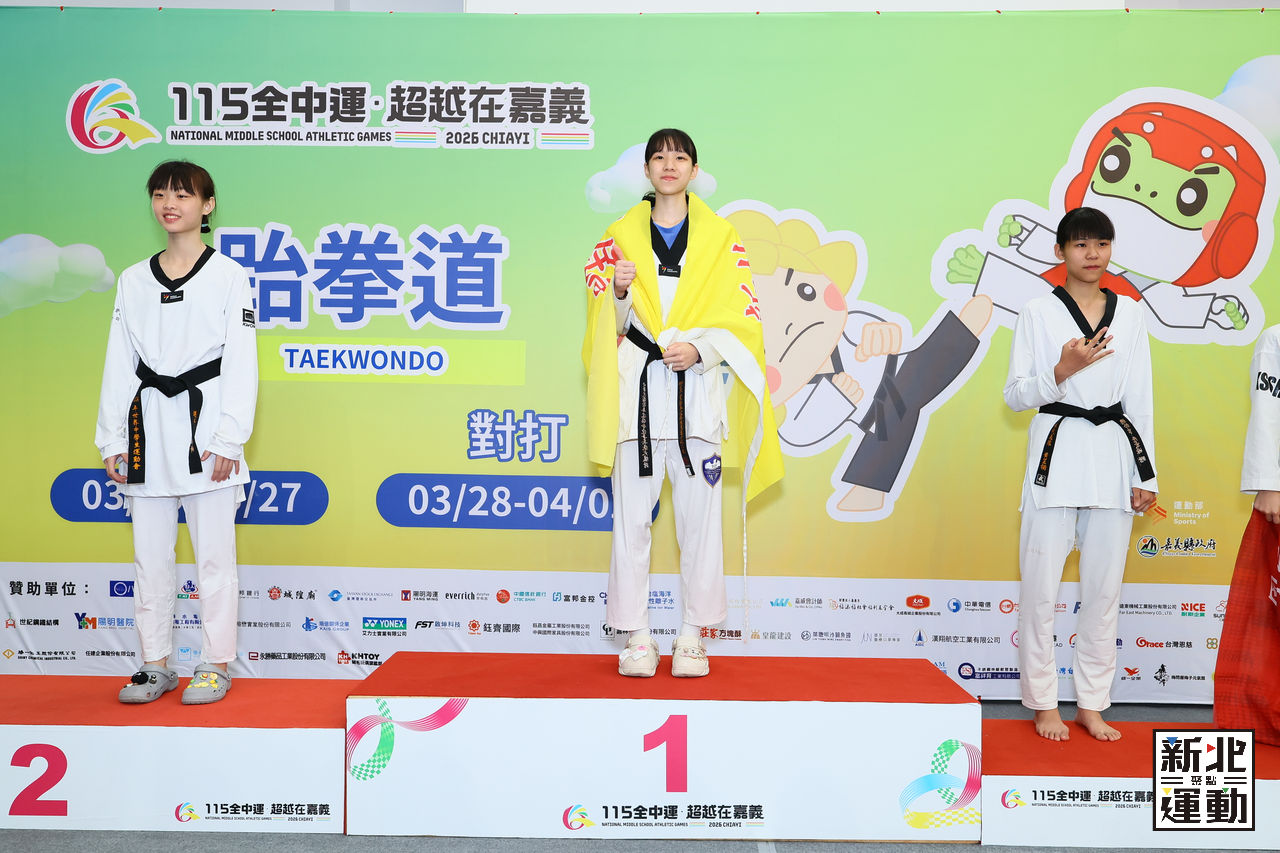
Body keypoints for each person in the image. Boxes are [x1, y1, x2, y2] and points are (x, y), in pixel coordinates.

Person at [582, 129, 782, 677]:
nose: (668, 165)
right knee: (631, 524)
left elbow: (742, 321)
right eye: (659, 157)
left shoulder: (721, 238)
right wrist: (618, 292)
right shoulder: (617, 237)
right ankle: (637, 637)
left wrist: (702, 350)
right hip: (638, 401)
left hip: (696, 398)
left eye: (679, 157)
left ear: (694, 170)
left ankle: (692, 637)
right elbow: (604, 326)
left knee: (701, 526)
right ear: (646, 170)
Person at [96, 160, 257, 705]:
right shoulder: (134, 280)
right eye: (160, 193)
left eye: (184, 195)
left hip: (206, 429)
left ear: (207, 206)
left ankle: (215, 664)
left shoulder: (229, 275)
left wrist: (230, 438)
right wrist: (112, 438)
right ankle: (155, 664)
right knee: (150, 559)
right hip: (146, 430)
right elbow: (119, 362)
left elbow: (242, 361)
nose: (170, 203)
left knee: (214, 558)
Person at [1003, 207, 1157, 741]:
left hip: (1114, 455)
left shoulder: (1131, 314)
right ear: (1060, 251)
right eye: (1081, 245)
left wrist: (1147, 476)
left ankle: (1092, 703)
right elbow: (1015, 395)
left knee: (1103, 591)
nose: (1093, 254)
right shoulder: (1037, 311)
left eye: (1102, 244)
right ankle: (1044, 703)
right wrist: (1060, 372)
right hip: (1056, 453)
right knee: (1040, 589)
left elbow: (1140, 399)